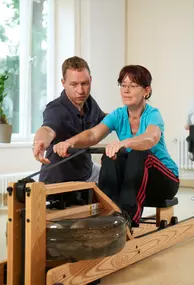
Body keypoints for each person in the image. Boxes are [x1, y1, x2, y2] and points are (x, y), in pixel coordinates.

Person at [53, 65, 179, 227]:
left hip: (165, 181)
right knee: (110, 156)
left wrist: (124, 143)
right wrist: (69, 142)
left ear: (146, 91)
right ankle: (109, 213)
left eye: (132, 86)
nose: (126, 90)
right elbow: (93, 134)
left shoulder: (153, 114)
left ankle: (127, 219)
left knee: (137, 153)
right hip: (135, 180)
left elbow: (151, 138)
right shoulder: (118, 115)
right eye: (123, 85)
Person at [33, 56, 105, 184]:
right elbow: (47, 129)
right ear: (63, 83)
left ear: (90, 80)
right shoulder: (56, 109)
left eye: (84, 83)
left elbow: (103, 119)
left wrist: (127, 117)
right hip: (59, 181)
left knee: (116, 179)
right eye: (74, 84)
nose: (81, 90)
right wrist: (39, 142)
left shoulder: (89, 102)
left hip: (87, 173)